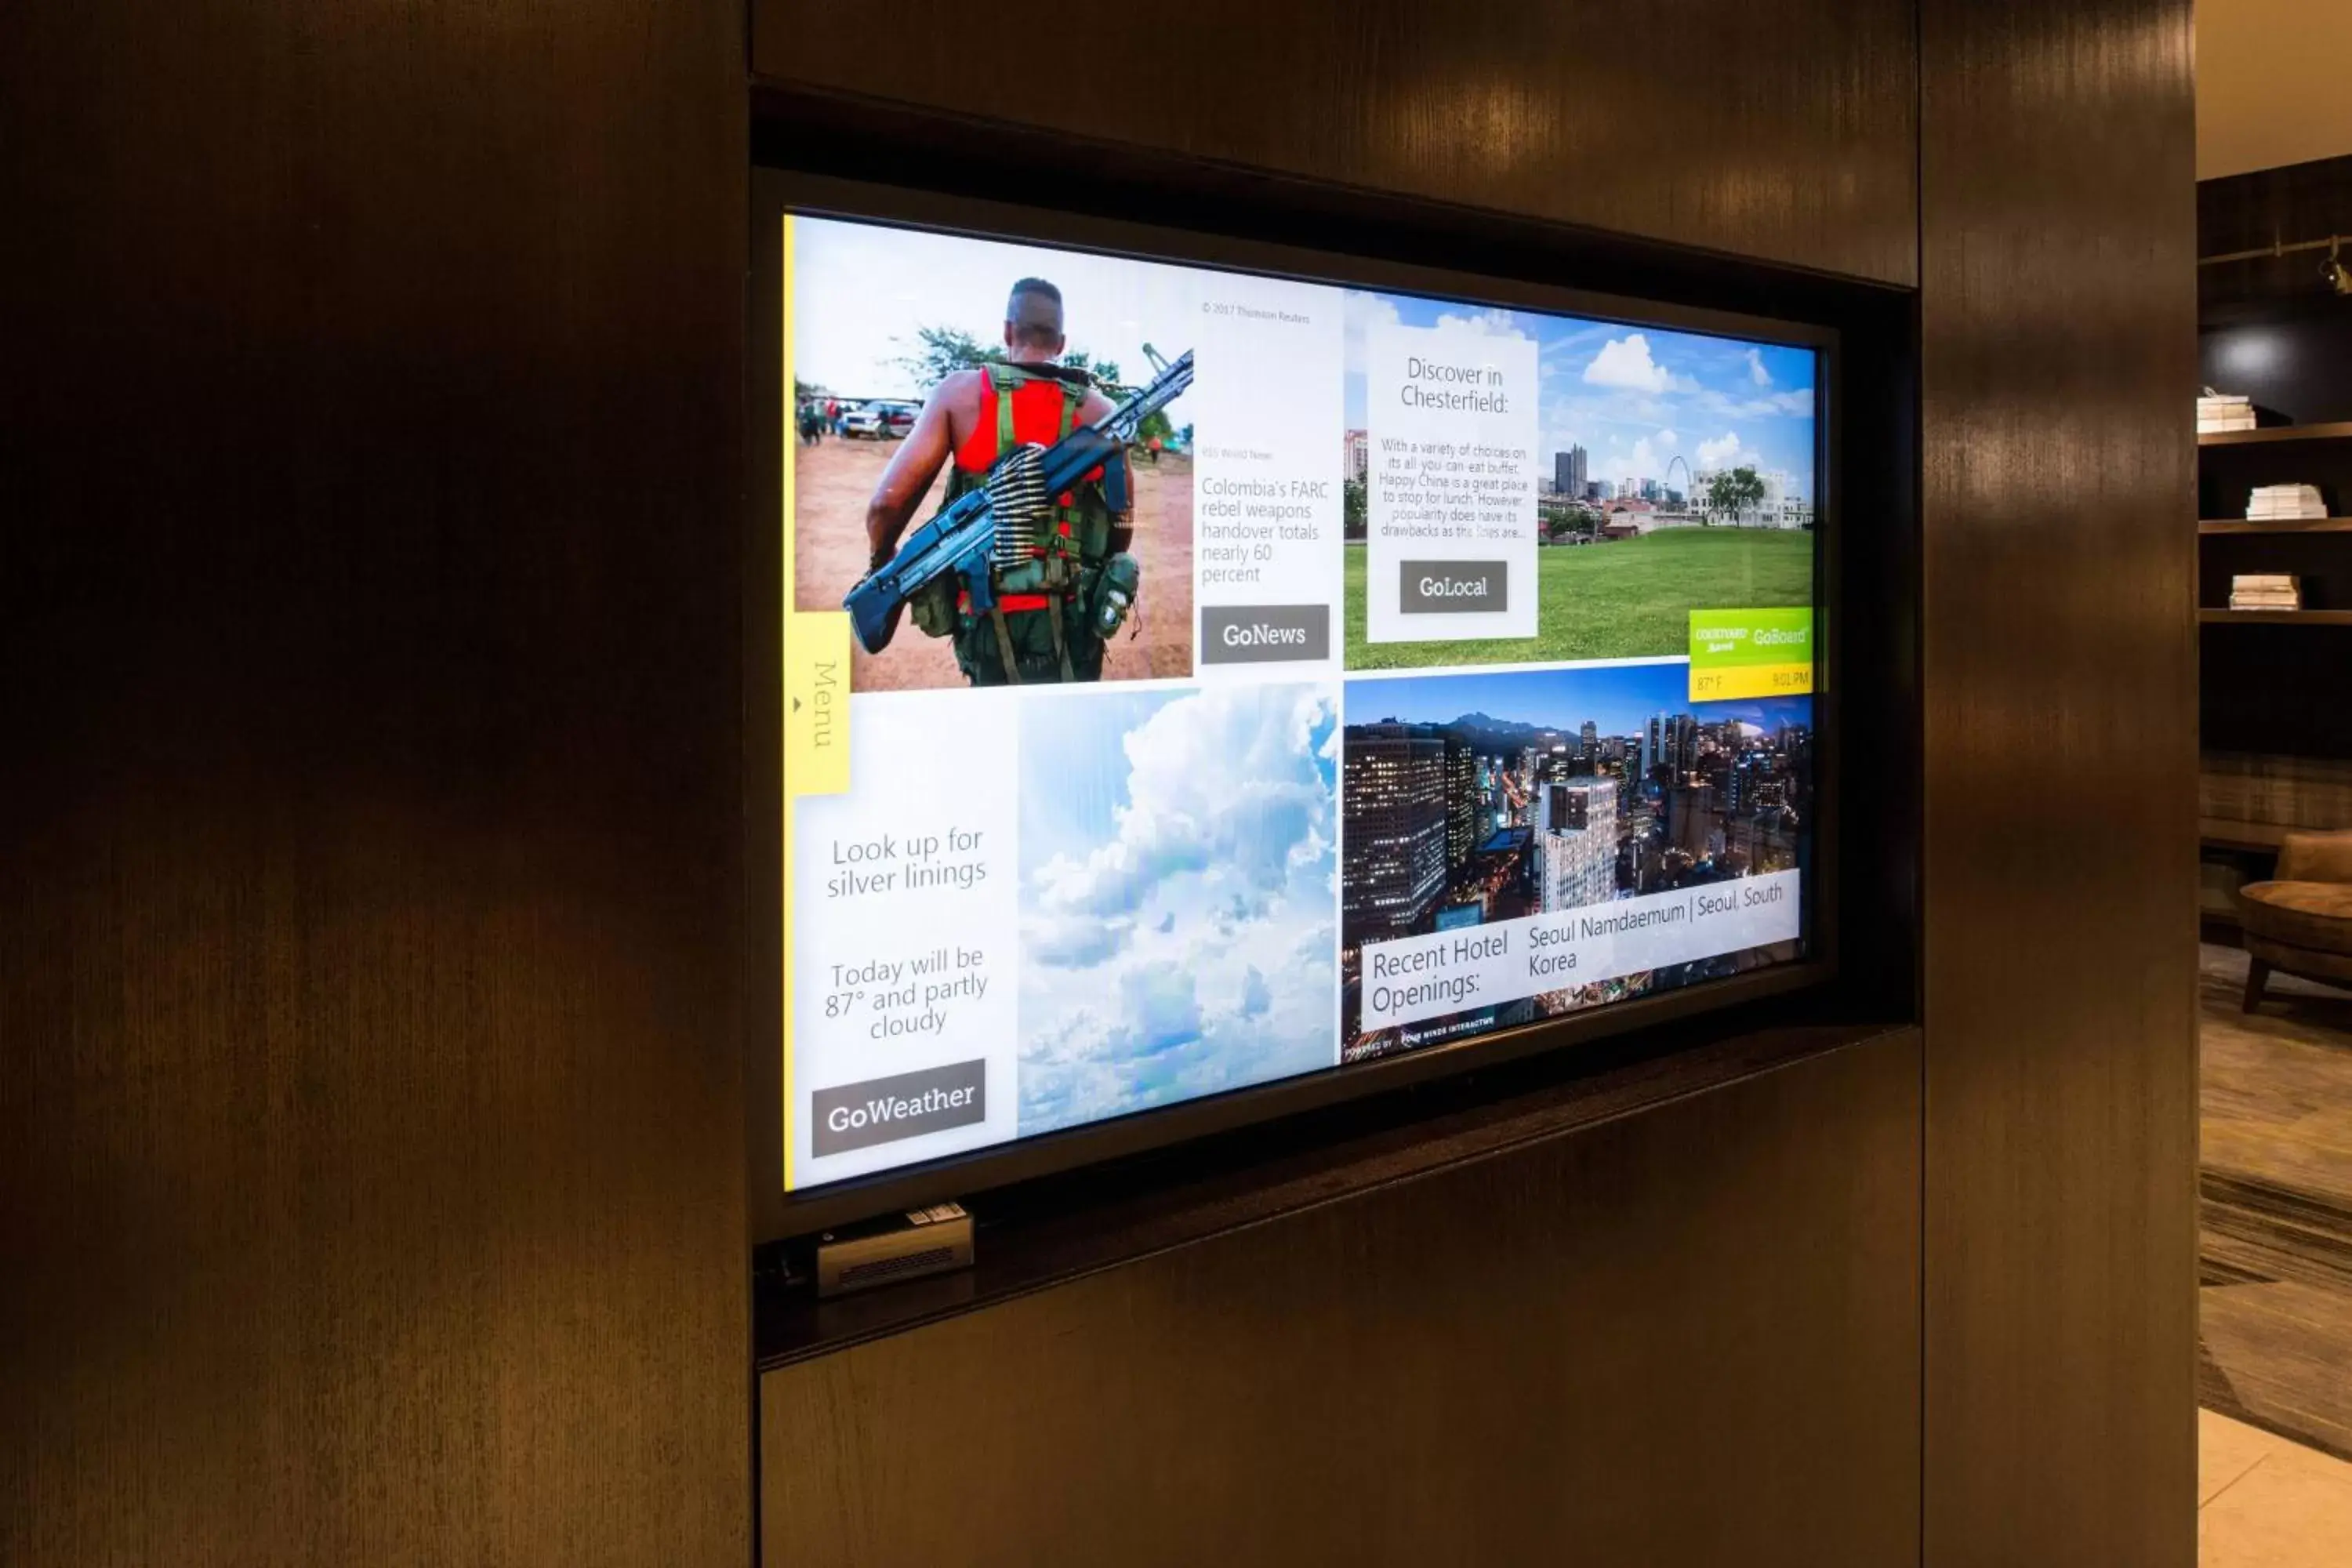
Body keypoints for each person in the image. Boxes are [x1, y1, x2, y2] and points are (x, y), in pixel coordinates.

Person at [862, 278, 1136, 685]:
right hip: (1074, 625)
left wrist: (881, 560)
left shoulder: (959, 395)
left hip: (985, 625)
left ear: (1008, 331)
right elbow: (1119, 533)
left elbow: (886, 505)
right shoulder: (1102, 412)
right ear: (1061, 343)